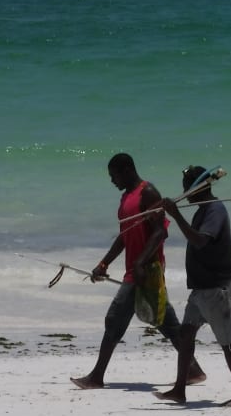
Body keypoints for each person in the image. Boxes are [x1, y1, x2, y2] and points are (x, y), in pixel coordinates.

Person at [71, 153, 206, 390]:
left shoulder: (148, 192)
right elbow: (125, 236)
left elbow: (160, 232)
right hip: (136, 269)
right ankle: (193, 370)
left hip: (146, 269)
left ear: (126, 170)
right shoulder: (126, 198)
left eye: (114, 175)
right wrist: (104, 263)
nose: (112, 181)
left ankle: (96, 377)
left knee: (114, 319)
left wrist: (140, 263)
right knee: (165, 321)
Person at [153, 165, 231, 407]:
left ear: (199, 187)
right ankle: (179, 390)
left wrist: (176, 215)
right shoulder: (202, 210)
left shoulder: (215, 210)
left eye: (187, 189)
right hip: (201, 287)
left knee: (227, 341)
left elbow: (199, 241)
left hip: (216, 286)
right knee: (186, 334)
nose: (185, 193)